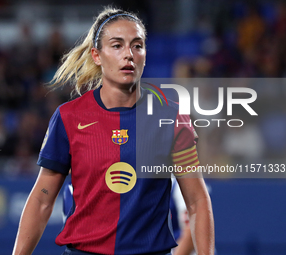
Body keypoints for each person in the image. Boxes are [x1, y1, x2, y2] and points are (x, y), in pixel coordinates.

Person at [12, 7, 214, 255]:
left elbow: (196, 201)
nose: (129, 55)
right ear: (97, 55)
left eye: (137, 46)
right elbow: (42, 200)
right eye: (117, 46)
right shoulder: (69, 117)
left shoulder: (171, 117)